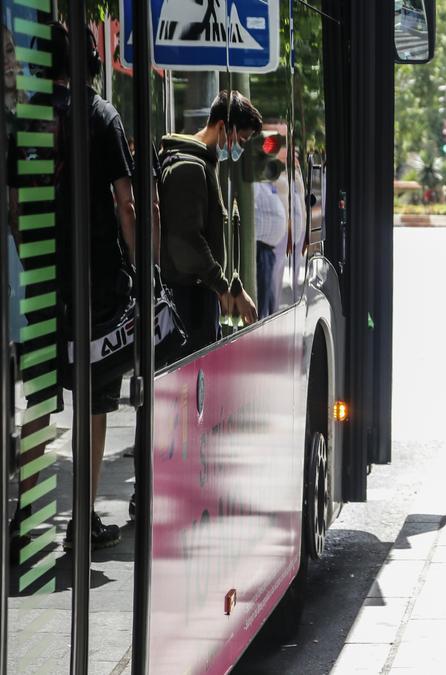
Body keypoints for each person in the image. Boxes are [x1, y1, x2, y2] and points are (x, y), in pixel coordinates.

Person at [42, 24, 145, 549]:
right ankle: (83, 520)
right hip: (97, 281)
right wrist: (141, 267)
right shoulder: (100, 114)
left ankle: (22, 517)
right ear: (92, 58)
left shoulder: (32, 113)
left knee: (36, 397)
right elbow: (126, 204)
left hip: (39, 276)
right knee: (94, 399)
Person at [158, 90, 260, 352]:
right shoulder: (189, 168)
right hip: (187, 305)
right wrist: (224, 288)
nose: (241, 147)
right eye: (242, 139)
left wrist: (230, 285)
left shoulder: (204, 164)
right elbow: (186, 241)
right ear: (223, 127)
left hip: (196, 301)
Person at [253, 158, 288, 317]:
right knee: (261, 304)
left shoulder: (268, 183)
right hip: (259, 250)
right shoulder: (254, 182)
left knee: (267, 301)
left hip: (268, 250)